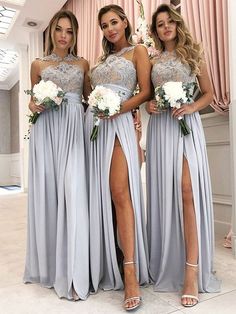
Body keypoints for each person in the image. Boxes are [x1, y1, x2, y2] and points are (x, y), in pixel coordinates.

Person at [146, 4, 221, 308]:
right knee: (166, 195)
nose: (165, 27)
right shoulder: (151, 61)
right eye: (160, 24)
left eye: (169, 22)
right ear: (155, 30)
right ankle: (169, 261)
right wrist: (149, 106)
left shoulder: (192, 55)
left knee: (187, 191)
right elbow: (148, 96)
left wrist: (191, 107)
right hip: (161, 129)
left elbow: (209, 93)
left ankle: (191, 271)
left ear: (177, 25)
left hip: (186, 125)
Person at [84, 4, 151, 311]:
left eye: (114, 22)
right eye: (104, 25)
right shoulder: (99, 62)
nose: (110, 28)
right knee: (103, 197)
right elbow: (88, 93)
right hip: (95, 128)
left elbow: (146, 92)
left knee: (120, 192)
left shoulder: (137, 52)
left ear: (125, 22)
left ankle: (131, 271)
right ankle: (109, 258)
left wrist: (120, 109)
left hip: (120, 124)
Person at [23, 10, 90, 301]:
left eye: (70, 31)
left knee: (73, 194)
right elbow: (33, 99)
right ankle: (51, 266)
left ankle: (75, 273)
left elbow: (90, 98)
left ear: (75, 35)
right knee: (50, 196)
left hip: (75, 130)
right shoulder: (38, 64)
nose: (64, 36)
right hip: (47, 132)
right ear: (51, 32)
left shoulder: (84, 63)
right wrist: (34, 104)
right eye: (59, 30)